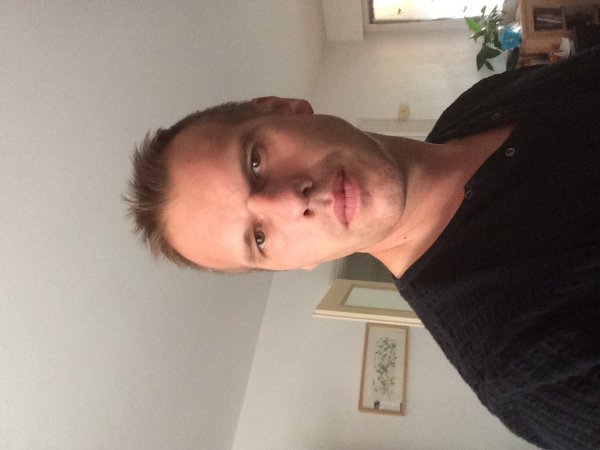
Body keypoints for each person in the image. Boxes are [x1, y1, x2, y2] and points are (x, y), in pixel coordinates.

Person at [125, 45, 600, 449]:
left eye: (255, 162)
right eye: (259, 238)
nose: (290, 202)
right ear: (299, 264)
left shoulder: (477, 105)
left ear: (284, 107)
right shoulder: (525, 367)